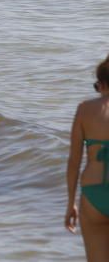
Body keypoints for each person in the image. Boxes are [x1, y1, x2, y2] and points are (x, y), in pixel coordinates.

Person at [65, 56, 109, 259]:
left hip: (93, 194)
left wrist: (70, 203)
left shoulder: (84, 109)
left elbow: (74, 161)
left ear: (101, 84)